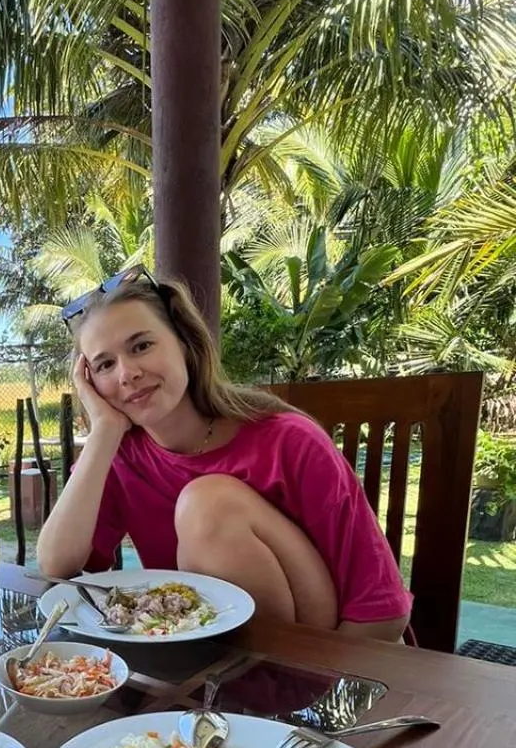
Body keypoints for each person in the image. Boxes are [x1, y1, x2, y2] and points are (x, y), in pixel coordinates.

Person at [36, 267, 411, 640]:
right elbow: (55, 565)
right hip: (197, 668)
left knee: (206, 504)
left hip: (306, 659)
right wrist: (103, 431)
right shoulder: (119, 457)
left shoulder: (289, 442)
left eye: (141, 346)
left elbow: (383, 612)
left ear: (184, 341)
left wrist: (316, 687)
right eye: (104, 364)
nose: (127, 373)